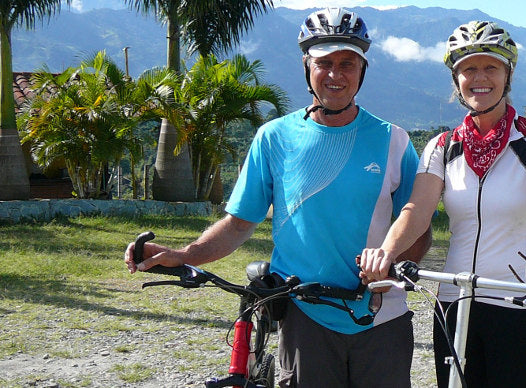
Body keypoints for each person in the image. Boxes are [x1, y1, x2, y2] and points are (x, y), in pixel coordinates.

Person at [125, 8, 431, 388]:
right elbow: (239, 223)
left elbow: (419, 228)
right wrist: (186, 255)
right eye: (325, 63)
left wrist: (394, 266)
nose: (336, 74)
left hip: (381, 315)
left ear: (362, 70)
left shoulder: (393, 140)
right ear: (307, 66)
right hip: (306, 316)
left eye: (348, 63)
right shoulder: (274, 138)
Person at [359, 20, 526, 387]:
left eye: (490, 67)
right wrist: (384, 254)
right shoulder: (443, 146)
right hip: (454, 302)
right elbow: (416, 211)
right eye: (468, 68)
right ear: (457, 80)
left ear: (507, 75)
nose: (479, 77)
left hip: (520, 304)